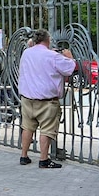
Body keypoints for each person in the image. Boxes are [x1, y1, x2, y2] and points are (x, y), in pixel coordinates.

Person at [18, 29, 77, 168]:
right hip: (46, 101)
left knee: (27, 127)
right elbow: (69, 68)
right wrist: (69, 57)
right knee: (47, 130)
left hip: (27, 98)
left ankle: (24, 156)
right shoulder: (53, 56)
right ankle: (44, 160)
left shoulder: (26, 53)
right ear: (48, 41)